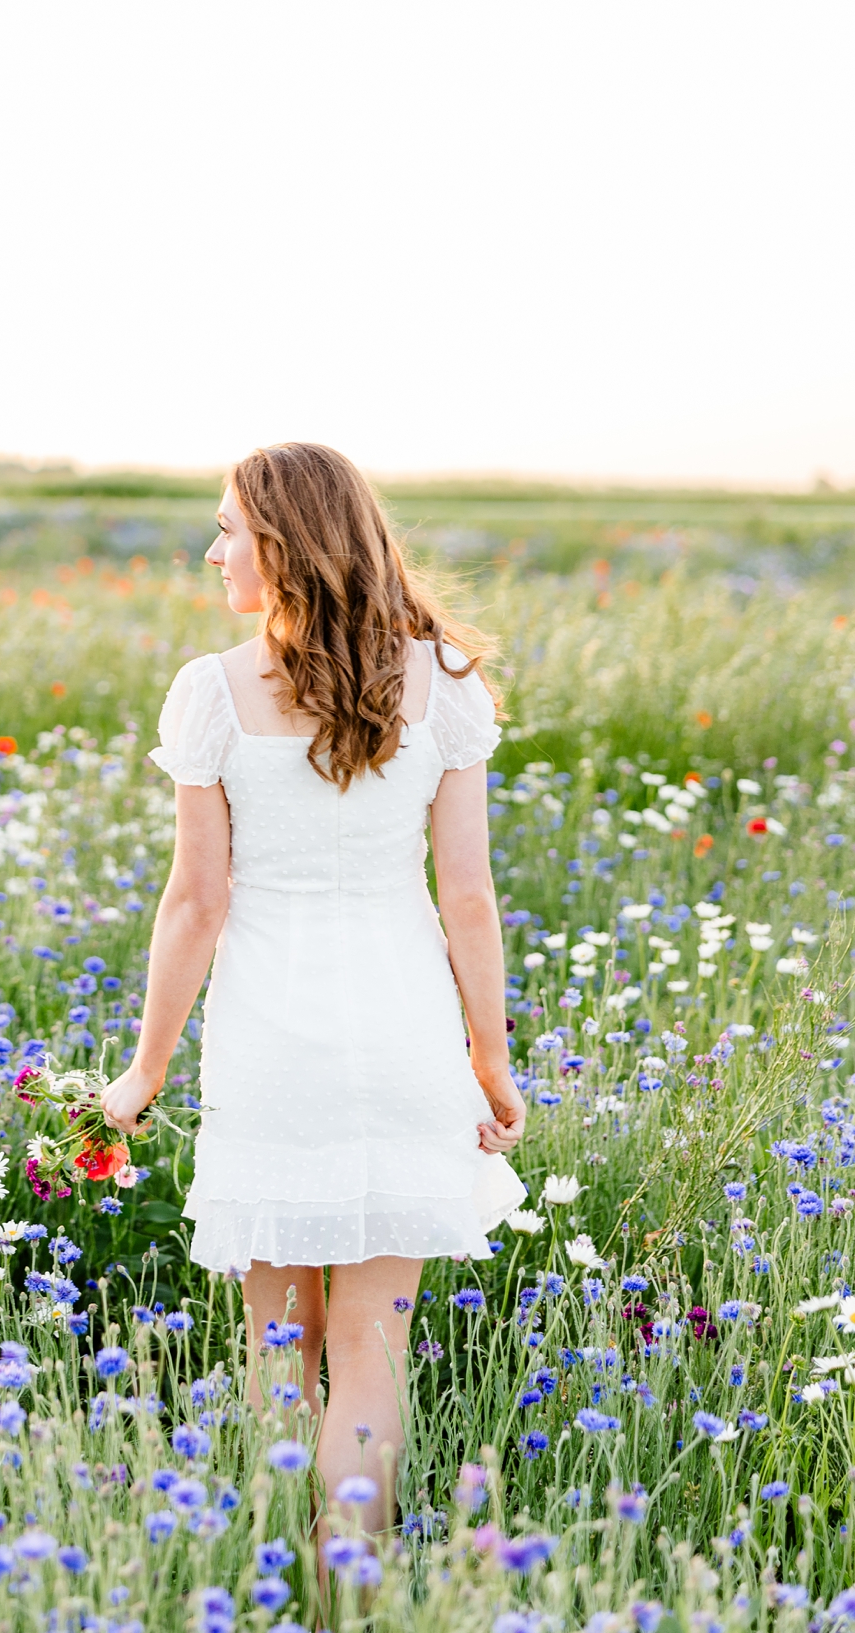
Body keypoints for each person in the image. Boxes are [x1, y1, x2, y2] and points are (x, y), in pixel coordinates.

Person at [101, 442, 526, 1524]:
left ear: (283, 546)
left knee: (276, 1363)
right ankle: (362, 1593)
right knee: (370, 1366)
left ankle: (282, 1584)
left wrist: (142, 1073)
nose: (212, 552)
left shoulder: (214, 693)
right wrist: (490, 1059)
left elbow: (197, 903)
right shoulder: (448, 687)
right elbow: (468, 897)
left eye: (229, 532)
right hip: (406, 1045)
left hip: (271, 1053)